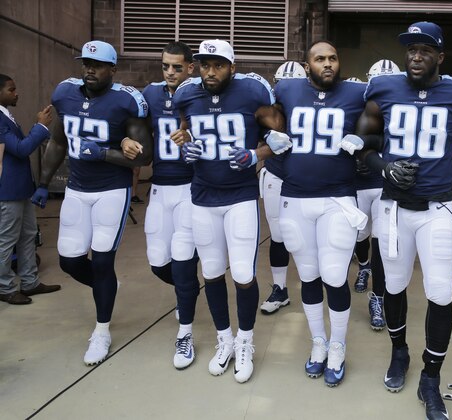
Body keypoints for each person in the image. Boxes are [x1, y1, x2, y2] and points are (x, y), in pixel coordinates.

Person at [339, 22, 452, 419]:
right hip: (391, 209)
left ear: (440, 56)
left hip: (436, 208)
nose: (416, 56)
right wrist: (383, 165)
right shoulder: (384, 89)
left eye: (425, 50)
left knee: (440, 293)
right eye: (410, 49)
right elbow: (359, 142)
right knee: (394, 286)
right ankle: (399, 352)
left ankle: (431, 376)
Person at [174, 39, 288, 383]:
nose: (211, 71)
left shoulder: (253, 92)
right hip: (202, 195)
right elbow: (183, 131)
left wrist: (256, 155)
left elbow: (283, 136)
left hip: (239, 196)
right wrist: (185, 148)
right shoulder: (187, 94)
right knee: (210, 273)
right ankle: (224, 339)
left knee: (242, 274)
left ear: (232, 67)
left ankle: (245, 341)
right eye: (205, 64)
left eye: (218, 65)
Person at [32, 41, 152, 364]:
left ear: (113, 69)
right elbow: (58, 141)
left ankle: (101, 330)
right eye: (85, 63)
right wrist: (43, 182)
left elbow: (146, 155)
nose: (89, 69)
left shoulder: (127, 101)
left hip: (111, 189)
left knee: (101, 261)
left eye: (97, 65)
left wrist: (106, 152)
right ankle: (107, 287)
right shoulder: (65, 93)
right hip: (76, 188)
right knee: (69, 261)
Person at [275, 40, 368, 387]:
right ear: (307, 63)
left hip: (338, 198)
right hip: (295, 197)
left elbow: (380, 119)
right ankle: (318, 342)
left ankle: (338, 345)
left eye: (332, 57)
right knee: (309, 275)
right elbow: (257, 112)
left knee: (333, 275)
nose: (327, 64)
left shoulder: (356, 92)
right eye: (320, 59)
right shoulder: (286, 88)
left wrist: (364, 139)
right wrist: (268, 144)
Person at [125, 41, 199, 369]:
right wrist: (124, 140)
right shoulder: (150, 94)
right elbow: (129, 128)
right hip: (160, 188)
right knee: (158, 262)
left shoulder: (201, 91)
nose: (170, 72)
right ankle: (189, 290)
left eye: (177, 66)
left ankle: (185, 332)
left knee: (183, 261)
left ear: (190, 68)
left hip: (190, 189)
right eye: (166, 66)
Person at [0, 74, 61, 305]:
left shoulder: (6, 115)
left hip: (20, 189)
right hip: (7, 191)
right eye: (11, 90)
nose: (16, 93)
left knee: (27, 236)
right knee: (6, 240)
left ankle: (30, 282)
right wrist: (40, 127)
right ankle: (4, 287)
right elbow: (21, 149)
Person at [352, 59, 401, 333]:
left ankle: (378, 299)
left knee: (381, 241)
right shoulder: (360, 105)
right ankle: (363, 267)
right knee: (360, 234)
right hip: (359, 183)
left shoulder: (400, 109)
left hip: (386, 185)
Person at [259, 60, 307, 315]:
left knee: (308, 235)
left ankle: (313, 282)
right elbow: (253, 126)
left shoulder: (311, 103)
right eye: (282, 84)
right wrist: (266, 135)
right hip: (277, 174)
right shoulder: (268, 106)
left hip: (306, 178)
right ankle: (280, 289)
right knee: (277, 235)